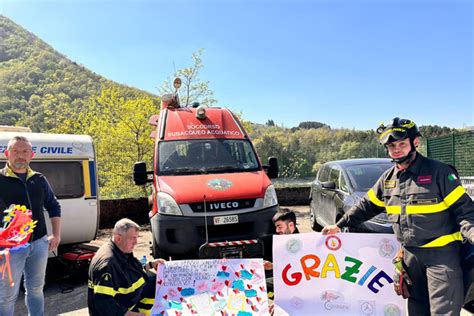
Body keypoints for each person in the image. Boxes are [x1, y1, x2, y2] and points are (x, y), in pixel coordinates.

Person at [322, 117, 474, 315]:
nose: (396, 149)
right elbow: (366, 206)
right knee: (417, 310)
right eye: (391, 145)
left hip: (441, 256)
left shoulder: (440, 173)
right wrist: (339, 225)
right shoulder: (388, 179)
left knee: (443, 312)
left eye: (402, 143)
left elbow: (466, 212)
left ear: (415, 142)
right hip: (410, 257)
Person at [0, 135, 61, 316]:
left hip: (39, 243)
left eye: (25, 152)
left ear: (31, 155)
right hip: (9, 248)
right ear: (6, 154)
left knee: (35, 289)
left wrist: (56, 235)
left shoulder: (39, 179)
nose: (20, 156)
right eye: (15, 151)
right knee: (7, 296)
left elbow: (53, 205)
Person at [88, 218, 165, 316]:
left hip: (128, 302)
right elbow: (104, 304)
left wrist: (150, 264)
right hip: (118, 311)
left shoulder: (119, 249)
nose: (136, 242)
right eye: (133, 238)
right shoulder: (108, 264)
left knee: (157, 282)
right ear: (118, 238)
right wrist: (130, 314)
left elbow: (128, 268)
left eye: (137, 238)